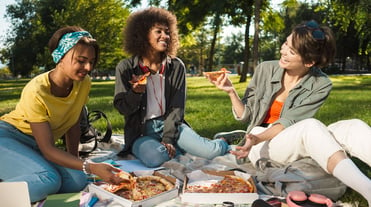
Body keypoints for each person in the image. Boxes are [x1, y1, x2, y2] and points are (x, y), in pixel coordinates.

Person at [207, 20, 371, 204]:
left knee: (353, 126)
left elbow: (289, 122)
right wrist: (231, 92)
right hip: (259, 141)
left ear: (309, 62)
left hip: (292, 136)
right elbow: (246, 115)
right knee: (310, 127)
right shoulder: (265, 69)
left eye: (291, 51)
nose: (283, 51)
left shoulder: (321, 84)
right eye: (286, 43)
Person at [0, 26, 124, 203]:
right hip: (8, 138)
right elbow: (48, 150)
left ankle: (18, 177)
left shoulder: (83, 82)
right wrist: (92, 167)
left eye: (91, 61)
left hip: (36, 146)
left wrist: (76, 161)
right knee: (49, 180)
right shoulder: (37, 90)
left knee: (77, 180)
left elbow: (72, 122)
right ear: (60, 57)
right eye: (81, 60)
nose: (88, 67)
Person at [113, 7, 230, 168]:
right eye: (158, 31)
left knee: (212, 152)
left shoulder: (176, 66)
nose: (165, 36)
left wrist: (168, 138)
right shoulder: (125, 68)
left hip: (169, 124)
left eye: (167, 32)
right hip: (140, 132)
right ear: (142, 34)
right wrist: (135, 92)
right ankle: (179, 147)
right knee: (155, 158)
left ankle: (222, 140)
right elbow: (122, 108)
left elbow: (177, 107)